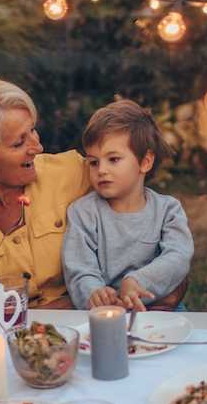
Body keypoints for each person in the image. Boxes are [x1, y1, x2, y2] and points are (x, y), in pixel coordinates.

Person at [0, 77, 185, 310]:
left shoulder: (75, 172)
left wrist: (169, 282)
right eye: (19, 142)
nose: (37, 147)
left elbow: (145, 217)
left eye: (33, 131)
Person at [61, 99, 194, 311]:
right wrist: (95, 292)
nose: (101, 170)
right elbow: (79, 267)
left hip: (159, 309)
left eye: (113, 159)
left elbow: (177, 257)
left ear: (145, 162)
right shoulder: (82, 212)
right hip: (105, 313)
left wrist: (137, 282)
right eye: (93, 162)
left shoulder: (167, 210)